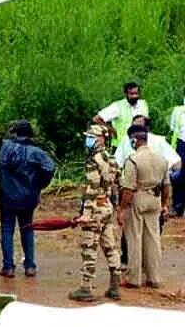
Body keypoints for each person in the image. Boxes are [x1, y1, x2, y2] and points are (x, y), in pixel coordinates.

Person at [69, 121, 122, 303]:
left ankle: (86, 287)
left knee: (89, 247)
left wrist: (86, 213)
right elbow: (117, 183)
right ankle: (115, 287)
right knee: (110, 246)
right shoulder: (111, 158)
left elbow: (92, 187)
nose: (88, 140)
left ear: (99, 139)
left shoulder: (94, 160)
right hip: (107, 206)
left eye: (91, 137)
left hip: (96, 208)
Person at [0, 120, 54, 278]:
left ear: (15, 132)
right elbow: (50, 168)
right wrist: (39, 184)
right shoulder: (36, 152)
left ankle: (8, 267)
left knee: (7, 229)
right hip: (28, 197)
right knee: (27, 229)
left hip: (7, 196)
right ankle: (30, 266)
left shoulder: (5, 148)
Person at [118, 125, 170, 289]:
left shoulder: (133, 159)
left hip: (138, 198)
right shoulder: (161, 159)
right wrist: (163, 205)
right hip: (155, 199)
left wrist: (122, 209)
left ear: (134, 140)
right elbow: (167, 186)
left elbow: (128, 189)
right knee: (153, 238)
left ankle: (133, 278)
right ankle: (154, 278)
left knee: (134, 238)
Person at [98, 82, 149, 149]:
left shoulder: (143, 104)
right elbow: (97, 118)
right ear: (126, 94)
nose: (134, 96)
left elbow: (147, 123)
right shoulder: (117, 106)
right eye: (131, 94)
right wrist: (112, 130)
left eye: (136, 93)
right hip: (121, 146)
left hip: (141, 145)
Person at [170, 97, 185, 217]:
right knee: (179, 176)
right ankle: (177, 206)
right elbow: (173, 129)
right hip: (181, 145)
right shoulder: (178, 111)